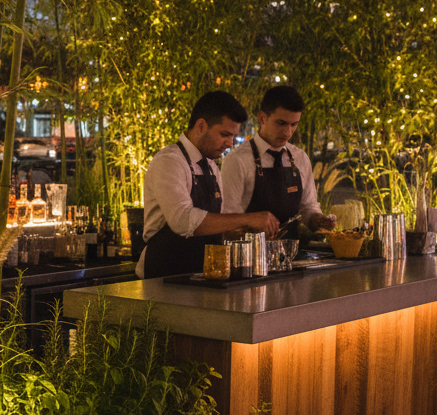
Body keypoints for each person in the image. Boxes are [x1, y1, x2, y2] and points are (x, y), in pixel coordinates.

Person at [137, 90, 279, 279]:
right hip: (163, 278)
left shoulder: (211, 166)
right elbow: (183, 221)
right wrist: (247, 219)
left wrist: (241, 233)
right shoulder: (170, 161)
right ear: (201, 126)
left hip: (201, 276)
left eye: (233, 137)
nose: (230, 143)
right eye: (224, 134)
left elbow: (212, 226)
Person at [220, 84, 336, 237]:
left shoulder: (300, 158)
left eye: (294, 124)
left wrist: (319, 220)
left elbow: (308, 208)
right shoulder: (237, 161)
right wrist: (251, 224)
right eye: (281, 123)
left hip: (294, 255)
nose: (288, 132)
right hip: (252, 255)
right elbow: (227, 221)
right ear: (262, 118)